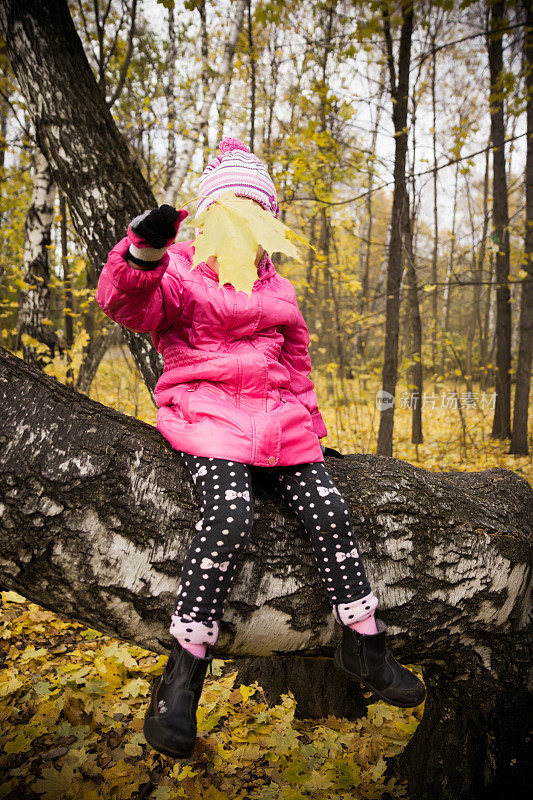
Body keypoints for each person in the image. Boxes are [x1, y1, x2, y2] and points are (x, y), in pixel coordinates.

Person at [95, 137, 425, 759]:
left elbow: (295, 367)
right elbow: (128, 304)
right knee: (229, 515)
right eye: (230, 211)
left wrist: (312, 433)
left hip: (279, 421)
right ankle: (185, 668)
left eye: (254, 211)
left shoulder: (280, 289)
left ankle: (364, 641)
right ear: (211, 215)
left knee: (331, 510)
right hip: (210, 412)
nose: (242, 225)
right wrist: (143, 253)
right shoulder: (182, 273)